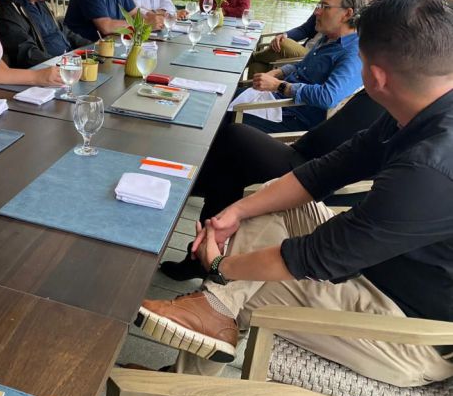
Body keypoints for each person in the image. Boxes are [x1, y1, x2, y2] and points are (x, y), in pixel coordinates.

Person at [138, 0, 453, 387]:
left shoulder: (433, 167)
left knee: (240, 285)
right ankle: (197, 346)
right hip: (377, 268)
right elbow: (327, 171)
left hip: (411, 331)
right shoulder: (423, 109)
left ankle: (181, 375)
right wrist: (233, 214)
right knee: (262, 200)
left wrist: (220, 265)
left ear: (374, 76)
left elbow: (318, 256)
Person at [161, 89, 385, 281]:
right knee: (230, 166)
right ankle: (198, 248)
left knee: (234, 137)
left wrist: (283, 84)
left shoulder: (401, 114)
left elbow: (329, 95)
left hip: (316, 179)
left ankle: (188, 196)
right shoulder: (390, 99)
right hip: (311, 161)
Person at [240, 0, 366, 133]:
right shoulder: (328, 38)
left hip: (291, 117)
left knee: (222, 119)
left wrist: (279, 85)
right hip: (275, 101)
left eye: (325, 7)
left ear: (347, 14)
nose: (316, 12)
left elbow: (328, 96)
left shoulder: (353, 53)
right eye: (319, 6)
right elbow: (301, 66)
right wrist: (278, 72)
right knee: (221, 98)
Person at [248, 0, 359, 76]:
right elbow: (305, 29)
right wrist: (286, 34)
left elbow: (330, 91)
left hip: (316, 57)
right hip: (309, 49)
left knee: (283, 43)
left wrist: (284, 87)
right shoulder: (325, 5)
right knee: (257, 66)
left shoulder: (351, 17)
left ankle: (250, 57)